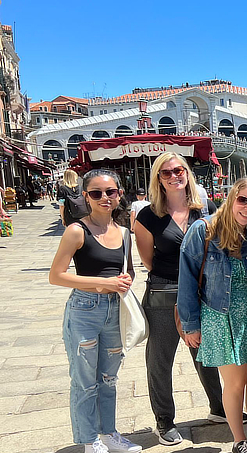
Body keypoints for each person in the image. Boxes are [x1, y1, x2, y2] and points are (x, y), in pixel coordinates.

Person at [132, 153, 232, 445]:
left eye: (179, 170)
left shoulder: (205, 210)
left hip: (203, 291)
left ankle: (218, 407)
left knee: (206, 354)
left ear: (187, 173)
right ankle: (164, 419)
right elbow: (149, 261)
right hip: (165, 291)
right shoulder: (148, 216)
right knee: (160, 360)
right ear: (158, 179)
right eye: (166, 172)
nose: (174, 175)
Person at [178, 178, 247, 453]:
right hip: (220, 317)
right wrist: (191, 324)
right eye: (243, 200)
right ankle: (239, 440)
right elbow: (186, 279)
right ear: (232, 198)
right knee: (235, 383)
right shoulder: (204, 230)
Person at [49, 169, 142, 453]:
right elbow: (57, 275)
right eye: (96, 193)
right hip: (84, 309)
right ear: (85, 197)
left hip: (115, 309)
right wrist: (103, 282)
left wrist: (124, 281)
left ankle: (109, 433)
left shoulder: (125, 232)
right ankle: (89, 440)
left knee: (108, 379)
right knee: (84, 379)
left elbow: (126, 272)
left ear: (119, 195)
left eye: (110, 192)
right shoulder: (77, 230)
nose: (104, 197)